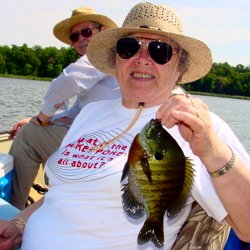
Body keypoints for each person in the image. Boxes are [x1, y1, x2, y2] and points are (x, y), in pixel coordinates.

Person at [1, 2, 250, 249]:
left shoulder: (197, 126)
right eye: (128, 47)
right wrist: (19, 226)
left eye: (159, 50)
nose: (142, 59)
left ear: (180, 67)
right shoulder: (91, 113)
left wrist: (212, 149)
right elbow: (63, 193)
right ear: (116, 59)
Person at [9, 7, 120, 210]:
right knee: (37, 130)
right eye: (74, 37)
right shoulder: (109, 61)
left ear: (102, 31)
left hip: (103, 145)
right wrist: (46, 120)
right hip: (101, 140)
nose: (80, 40)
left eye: (86, 32)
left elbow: (68, 80)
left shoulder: (104, 53)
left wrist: (43, 119)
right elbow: (78, 109)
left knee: (29, 136)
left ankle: (13, 210)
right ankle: (54, 203)